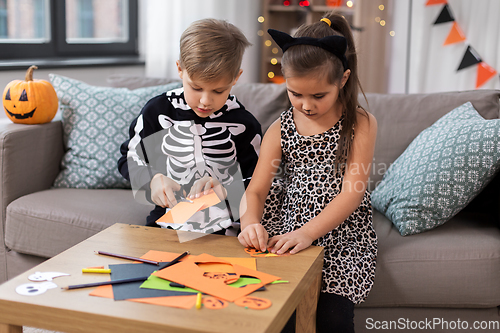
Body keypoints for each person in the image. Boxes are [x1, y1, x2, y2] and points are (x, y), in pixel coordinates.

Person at [237, 12, 377, 332]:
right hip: (286, 234)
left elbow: (352, 193)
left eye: (318, 96)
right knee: (278, 316)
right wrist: (249, 224)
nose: (306, 105)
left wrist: (308, 234)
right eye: (295, 94)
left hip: (339, 239)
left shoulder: (361, 123)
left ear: (342, 80)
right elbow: (256, 190)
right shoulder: (280, 127)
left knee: (333, 319)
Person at [118, 18, 262, 235]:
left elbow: (261, 182)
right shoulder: (157, 111)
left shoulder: (244, 124)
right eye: (196, 87)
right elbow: (128, 159)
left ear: (236, 78)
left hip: (226, 227)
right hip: (166, 222)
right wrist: (152, 180)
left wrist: (225, 189)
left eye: (218, 91)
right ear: (180, 69)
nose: (205, 101)